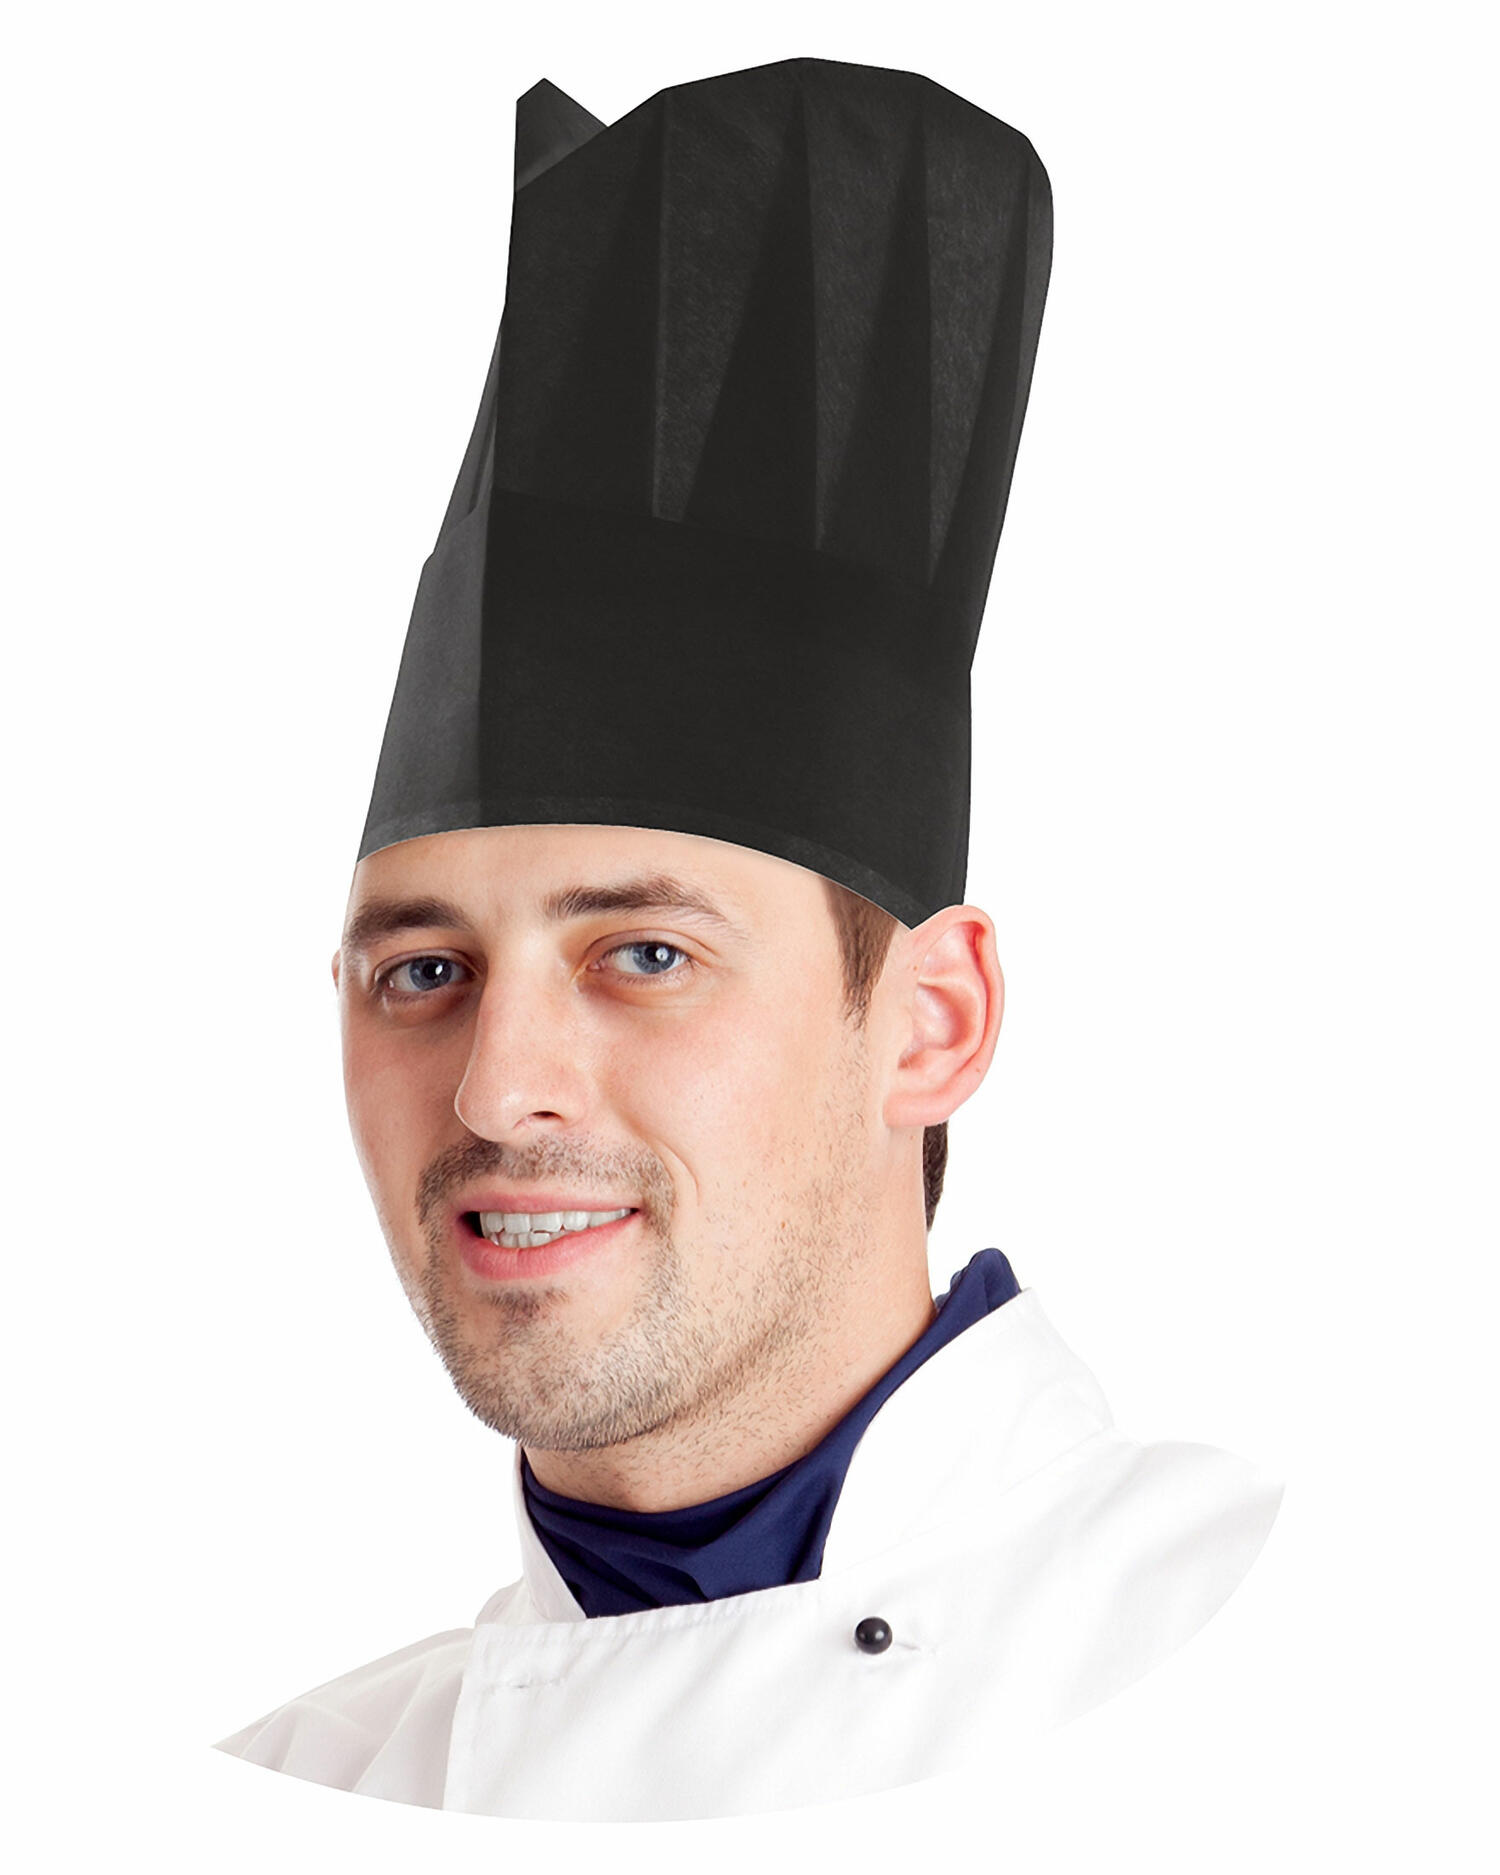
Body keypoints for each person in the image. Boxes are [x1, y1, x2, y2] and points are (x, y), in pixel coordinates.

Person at [214, 56, 1282, 1821]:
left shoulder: (1304, 1665)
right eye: (423, 971)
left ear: (931, 1023)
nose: (494, 1086)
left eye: (644, 954)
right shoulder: (292, 1794)